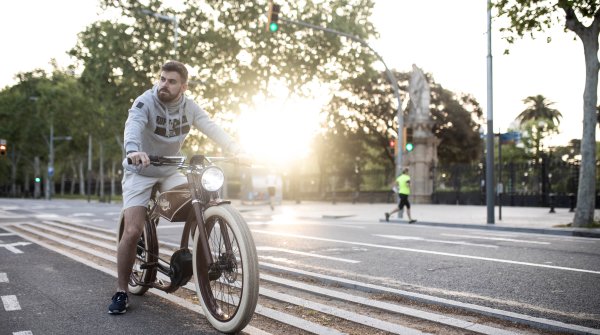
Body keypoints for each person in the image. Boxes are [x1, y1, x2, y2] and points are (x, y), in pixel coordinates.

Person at [109, 60, 241, 314]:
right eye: (162, 79)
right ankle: (121, 291)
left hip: (169, 169)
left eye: (171, 81)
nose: (164, 85)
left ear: (183, 86)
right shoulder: (145, 101)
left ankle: (197, 260)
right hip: (140, 169)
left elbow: (211, 127)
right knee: (134, 228)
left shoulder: (189, 107)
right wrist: (133, 150)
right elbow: (133, 124)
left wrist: (236, 149)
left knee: (197, 201)